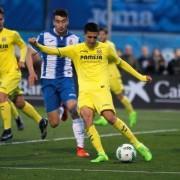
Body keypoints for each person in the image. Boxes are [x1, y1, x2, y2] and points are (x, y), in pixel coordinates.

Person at [29, 22, 152, 163]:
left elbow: (121, 63)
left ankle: (138, 145)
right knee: (87, 118)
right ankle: (101, 153)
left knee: (110, 118)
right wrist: (37, 46)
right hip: (85, 93)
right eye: (90, 37)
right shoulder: (76, 49)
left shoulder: (106, 49)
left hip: (101, 90)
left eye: (95, 37)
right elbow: (54, 51)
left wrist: (141, 77)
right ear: (85, 35)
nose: (92, 40)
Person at [26, 9, 89, 158]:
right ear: (54, 22)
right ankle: (62, 109)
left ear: (67, 21)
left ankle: (80, 148)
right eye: (58, 21)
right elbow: (29, 53)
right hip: (48, 82)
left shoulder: (75, 39)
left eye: (63, 21)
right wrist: (31, 72)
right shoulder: (44, 36)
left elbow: (84, 58)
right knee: (54, 123)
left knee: (74, 107)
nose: (61, 25)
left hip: (66, 79)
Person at [0, 7, 48, 141]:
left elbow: (23, 46)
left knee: (1, 96)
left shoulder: (11, 34)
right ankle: (40, 121)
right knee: (19, 102)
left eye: (1, 19)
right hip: (2, 76)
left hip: (12, 73)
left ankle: (7, 130)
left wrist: (21, 60)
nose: (0, 22)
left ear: (3, 19)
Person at [94, 27, 137, 127]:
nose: (101, 36)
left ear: (106, 35)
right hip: (102, 75)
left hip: (113, 75)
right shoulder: (96, 45)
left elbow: (114, 59)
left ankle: (132, 113)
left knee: (120, 96)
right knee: (102, 96)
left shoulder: (110, 45)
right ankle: (103, 118)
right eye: (99, 34)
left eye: (103, 34)